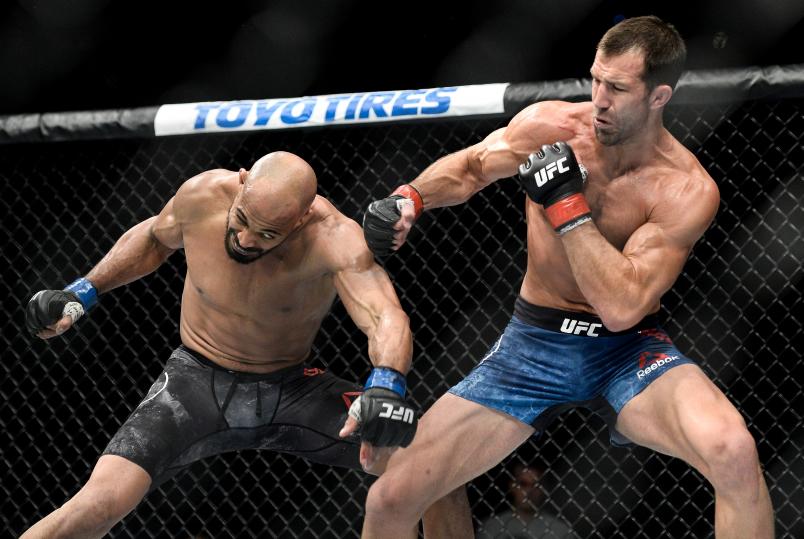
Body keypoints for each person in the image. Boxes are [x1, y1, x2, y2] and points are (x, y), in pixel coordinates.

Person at [361, 15, 774, 539]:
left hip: (626, 351)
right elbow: (470, 167)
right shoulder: (552, 126)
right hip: (532, 345)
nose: (599, 99)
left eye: (618, 88)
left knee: (734, 452)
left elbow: (622, 305)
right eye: (596, 80)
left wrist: (566, 204)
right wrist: (410, 198)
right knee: (390, 498)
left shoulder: (685, 189)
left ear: (658, 96)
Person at [22, 151, 471, 538]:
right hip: (191, 385)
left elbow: (384, 315)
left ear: (301, 217)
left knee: (436, 466)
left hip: (293, 389)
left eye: (268, 234)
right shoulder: (202, 195)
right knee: (96, 505)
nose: (246, 239)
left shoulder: (334, 236)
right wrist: (83, 292)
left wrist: (386, 385)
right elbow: (154, 239)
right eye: (242, 222)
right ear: (240, 183)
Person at [477, 463, 576, 539]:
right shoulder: (491, 528)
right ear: (512, 486)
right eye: (523, 484)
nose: (529, 491)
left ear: (543, 489)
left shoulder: (560, 531)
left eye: (536, 485)